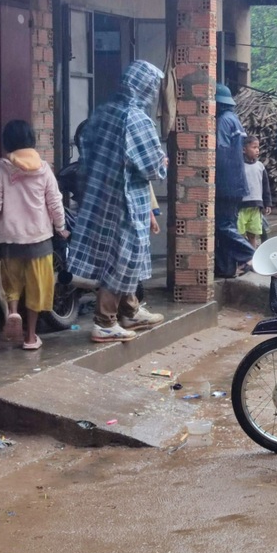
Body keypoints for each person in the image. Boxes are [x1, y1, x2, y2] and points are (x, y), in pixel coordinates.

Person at [69, 60, 168, 343]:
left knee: (119, 256)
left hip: (98, 196)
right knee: (123, 259)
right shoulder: (136, 119)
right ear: (145, 88)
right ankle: (105, 321)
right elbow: (152, 168)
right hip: (126, 201)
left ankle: (130, 310)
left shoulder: (101, 113)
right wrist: (163, 162)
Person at [0, 120, 67, 350]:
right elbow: (55, 202)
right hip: (39, 238)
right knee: (35, 288)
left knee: (12, 284)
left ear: (7, 143)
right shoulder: (44, 168)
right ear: (31, 140)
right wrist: (60, 226)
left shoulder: (1, 169)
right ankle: (31, 337)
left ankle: (12, 313)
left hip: (9, 239)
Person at [214, 83, 256, 277]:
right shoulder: (234, 119)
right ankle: (226, 269)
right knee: (225, 226)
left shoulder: (223, 121)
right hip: (237, 182)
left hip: (226, 183)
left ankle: (250, 254)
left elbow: (221, 153)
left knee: (222, 227)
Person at [238, 136, 273, 249]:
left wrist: (267, 203)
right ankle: (241, 260)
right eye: (254, 147)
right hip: (241, 206)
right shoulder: (239, 166)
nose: (257, 150)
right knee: (240, 235)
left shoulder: (260, 167)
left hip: (256, 207)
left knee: (252, 235)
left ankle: (252, 259)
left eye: (258, 147)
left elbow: (265, 186)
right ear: (244, 150)